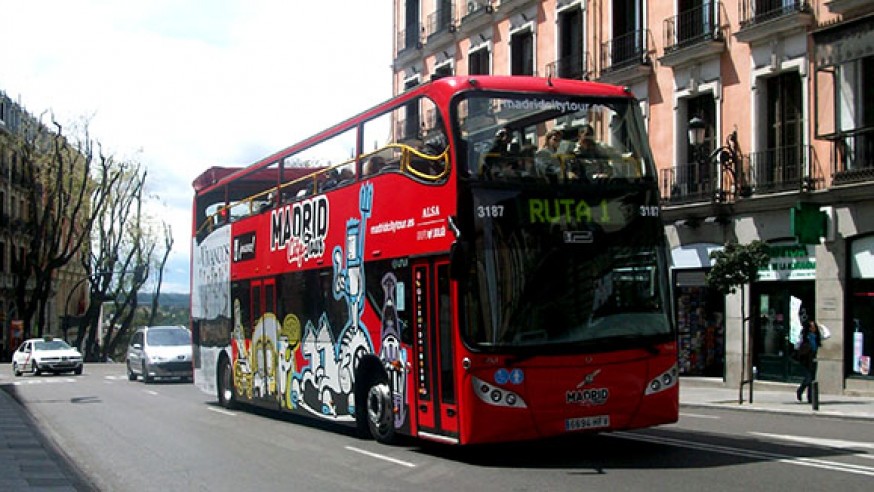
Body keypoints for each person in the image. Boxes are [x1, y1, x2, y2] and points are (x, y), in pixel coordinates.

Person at [796, 319, 823, 403]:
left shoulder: (817, 337)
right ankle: (800, 391)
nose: (813, 328)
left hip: (813, 359)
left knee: (812, 380)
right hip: (805, 360)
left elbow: (827, 334)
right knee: (808, 379)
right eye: (811, 327)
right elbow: (798, 345)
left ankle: (811, 398)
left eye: (814, 326)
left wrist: (821, 326)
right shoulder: (805, 336)